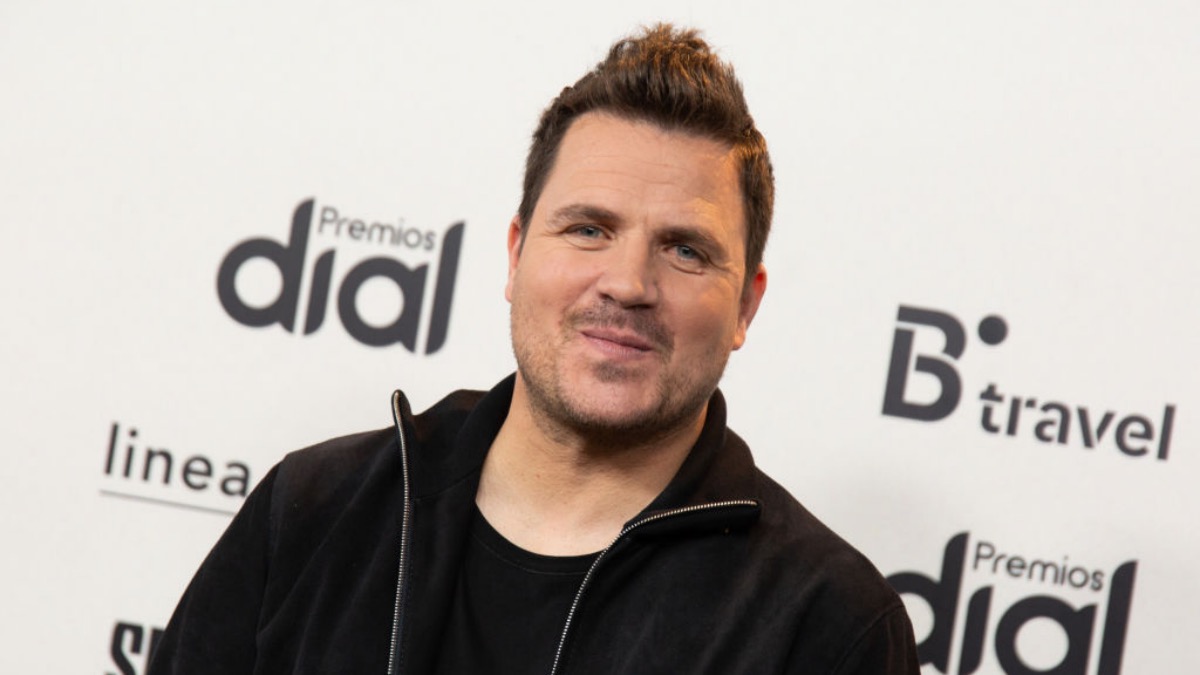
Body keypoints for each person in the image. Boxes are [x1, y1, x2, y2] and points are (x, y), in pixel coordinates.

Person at [150, 23, 919, 674]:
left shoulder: (829, 630)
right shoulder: (314, 512)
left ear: (747, 304)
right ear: (516, 255)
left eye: (685, 250)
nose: (628, 283)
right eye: (588, 229)